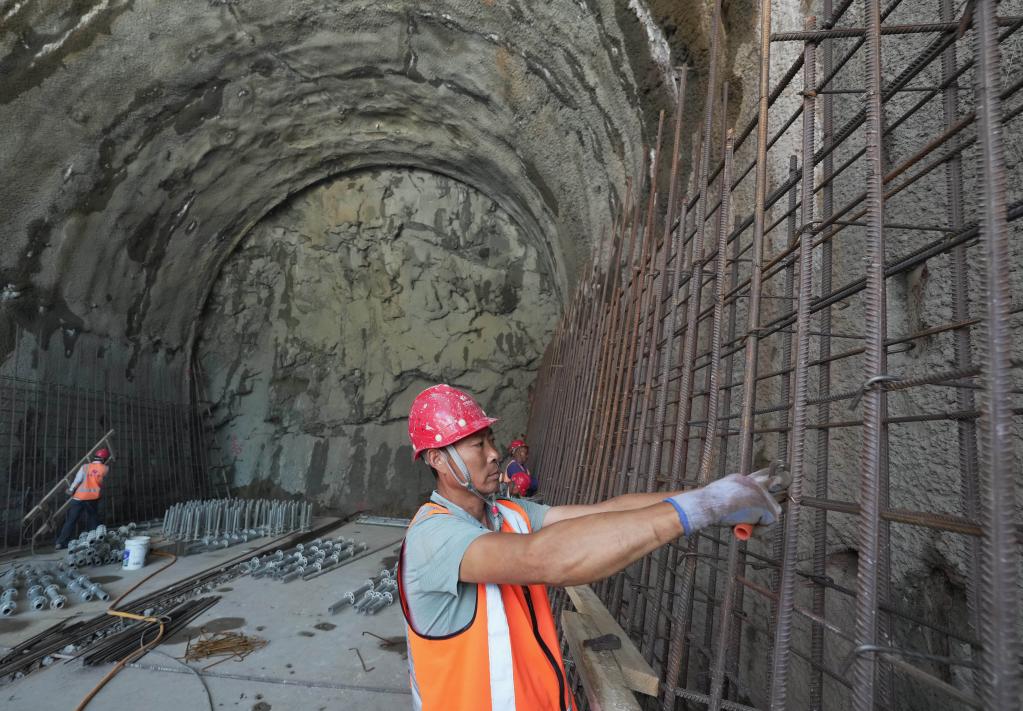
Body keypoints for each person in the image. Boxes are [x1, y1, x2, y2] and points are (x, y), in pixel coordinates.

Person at [397, 384, 783, 710]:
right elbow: (543, 558)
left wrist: (715, 498)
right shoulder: (433, 537)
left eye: (491, 440)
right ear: (438, 460)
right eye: (477, 445)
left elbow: (605, 511)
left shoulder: (507, 513)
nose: (495, 453)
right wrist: (698, 508)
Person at [55, 447, 111, 549]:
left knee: (71, 521)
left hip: (78, 498)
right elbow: (102, 481)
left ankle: (60, 542)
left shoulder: (84, 467)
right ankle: (94, 542)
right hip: (92, 498)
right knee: (93, 519)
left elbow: (77, 480)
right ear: (104, 459)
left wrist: (71, 490)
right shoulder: (106, 469)